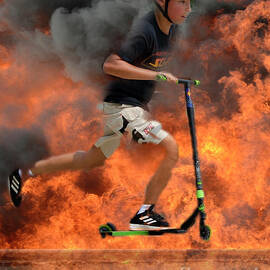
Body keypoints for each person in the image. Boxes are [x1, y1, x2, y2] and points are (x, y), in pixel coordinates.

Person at [8, 0, 192, 230]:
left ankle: (24, 172)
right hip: (123, 108)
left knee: (91, 159)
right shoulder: (145, 31)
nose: (189, 8)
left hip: (128, 106)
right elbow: (111, 65)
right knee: (170, 148)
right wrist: (156, 77)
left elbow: (150, 68)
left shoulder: (172, 31)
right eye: (182, 2)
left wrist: (158, 83)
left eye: (190, 2)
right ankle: (144, 215)